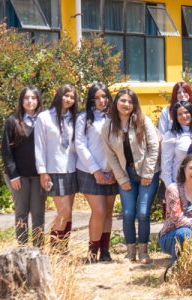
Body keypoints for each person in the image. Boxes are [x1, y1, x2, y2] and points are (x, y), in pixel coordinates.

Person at [103, 89, 160, 262]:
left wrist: (148, 173)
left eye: (130, 101)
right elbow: (110, 155)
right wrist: (121, 178)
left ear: (134, 104)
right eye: (122, 101)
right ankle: (130, 251)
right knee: (128, 213)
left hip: (147, 173)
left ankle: (143, 250)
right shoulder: (108, 126)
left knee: (142, 212)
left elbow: (153, 147)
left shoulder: (144, 121)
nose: (126, 104)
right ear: (116, 103)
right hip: (126, 173)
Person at [75, 84, 118, 262]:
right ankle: (92, 251)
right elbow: (80, 145)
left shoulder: (114, 118)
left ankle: (105, 251)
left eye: (105, 96)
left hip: (112, 171)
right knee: (99, 211)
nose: (102, 100)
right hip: (89, 171)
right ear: (92, 100)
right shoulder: (84, 119)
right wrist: (96, 171)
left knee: (108, 211)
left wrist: (116, 171)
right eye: (98, 97)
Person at [36, 85, 79, 252]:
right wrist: (42, 172)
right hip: (54, 170)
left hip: (71, 169)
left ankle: (63, 249)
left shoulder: (74, 118)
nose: (68, 99)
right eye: (66, 95)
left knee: (68, 213)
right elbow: (39, 146)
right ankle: (54, 249)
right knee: (64, 211)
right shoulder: (44, 117)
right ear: (59, 95)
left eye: (72, 97)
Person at [4, 87, 46, 246]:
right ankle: (22, 249)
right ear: (21, 101)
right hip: (18, 176)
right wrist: (13, 174)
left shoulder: (44, 120)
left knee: (38, 214)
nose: (30, 101)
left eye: (33, 98)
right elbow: (6, 151)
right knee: (21, 213)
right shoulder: (12, 121)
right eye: (26, 98)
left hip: (38, 175)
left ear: (38, 100)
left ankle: (38, 250)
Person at [161, 101, 192, 188]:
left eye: (186, 112)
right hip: (179, 184)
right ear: (175, 117)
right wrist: (170, 186)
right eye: (179, 114)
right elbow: (166, 163)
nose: (184, 116)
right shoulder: (171, 135)